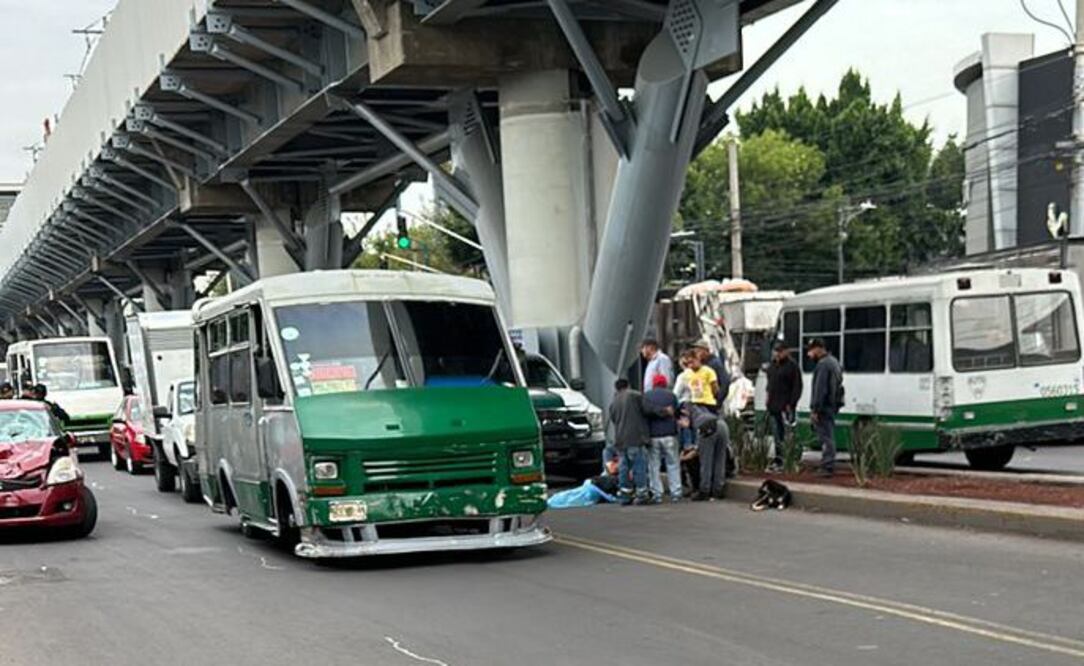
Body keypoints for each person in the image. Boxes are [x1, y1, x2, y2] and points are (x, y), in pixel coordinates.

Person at [607, 378, 670, 505]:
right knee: (638, 466)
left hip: (620, 440)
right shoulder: (634, 395)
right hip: (636, 437)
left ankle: (625, 494)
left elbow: (614, 419)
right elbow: (648, 409)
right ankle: (642, 494)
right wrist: (665, 411)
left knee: (624, 467)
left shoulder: (613, 402)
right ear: (628, 385)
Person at [807, 338, 843, 477]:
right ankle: (827, 464)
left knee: (826, 438)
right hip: (832, 405)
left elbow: (820, 389)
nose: (809, 354)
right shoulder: (834, 362)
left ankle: (827, 466)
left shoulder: (823, 365)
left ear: (819, 348)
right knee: (828, 435)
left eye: (811, 350)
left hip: (823, 407)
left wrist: (815, 409)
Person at [643, 374, 682, 503]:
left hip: (654, 435)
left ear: (654, 384)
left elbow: (645, 414)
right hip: (670, 433)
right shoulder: (671, 396)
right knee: (673, 463)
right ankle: (676, 492)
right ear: (665, 383)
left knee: (654, 465)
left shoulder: (647, 396)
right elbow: (676, 413)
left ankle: (657, 493)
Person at [766, 344, 803, 469]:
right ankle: (778, 458)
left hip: (786, 406)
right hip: (773, 406)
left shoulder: (792, 366)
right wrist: (767, 399)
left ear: (787, 351)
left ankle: (788, 458)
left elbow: (797, 387)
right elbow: (770, 385)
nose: (777, 354)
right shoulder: (772, 366)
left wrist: (791, 404)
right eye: (776, 351)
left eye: (780, 351)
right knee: (777, 435)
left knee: (787, 434)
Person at [691, 407, 729, 501]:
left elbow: (698, 449)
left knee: (706, 461)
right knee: (720, 459)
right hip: (723, 425)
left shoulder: (691, 416)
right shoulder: (703, 409)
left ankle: (705, 490)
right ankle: (718, 489)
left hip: (708, 428)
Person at [694, 341, 731, 408]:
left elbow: (725, 382)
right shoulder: (701, 364)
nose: (696, 353)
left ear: (706, 351)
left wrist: (718, 400)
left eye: (699, 350)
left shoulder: (715, 363)